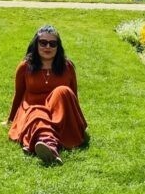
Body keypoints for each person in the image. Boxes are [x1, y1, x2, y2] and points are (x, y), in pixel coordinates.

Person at [7, 25, 87, 165]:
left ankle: (39, 144)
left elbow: (72, 95)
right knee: (37, 112)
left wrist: (77, 118)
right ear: (36, 45)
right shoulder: (25, 66)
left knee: (63, 90)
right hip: (32, 107)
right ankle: (49, 146)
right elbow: (19, 94)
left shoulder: (67, 67)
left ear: (58, 46)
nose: (47, 47)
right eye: (43, 43)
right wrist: (11, 118)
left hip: (59, 111)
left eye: (52, 43)